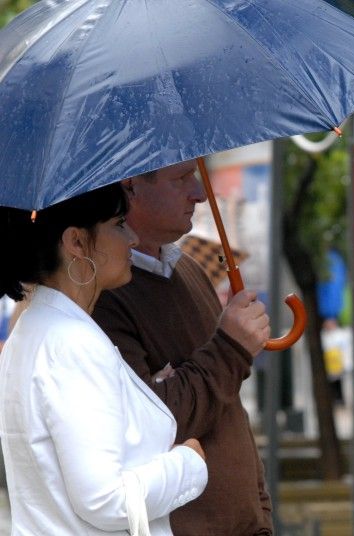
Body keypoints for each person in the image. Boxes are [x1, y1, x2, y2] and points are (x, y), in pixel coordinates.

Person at [0, 183, 208, 535]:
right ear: (77, 243)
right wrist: (189, 463)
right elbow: (105, 499)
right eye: (118, 224)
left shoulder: (36, 328)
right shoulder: (73, 344)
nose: (131, 238)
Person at [92, 160, 274, 535]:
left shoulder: (189, 270)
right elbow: (155, 422)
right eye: (180, 179)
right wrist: (230, 347)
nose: (199, 193)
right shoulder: (103, 299)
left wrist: (261, 511)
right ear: (131, 186)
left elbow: (227, 410)